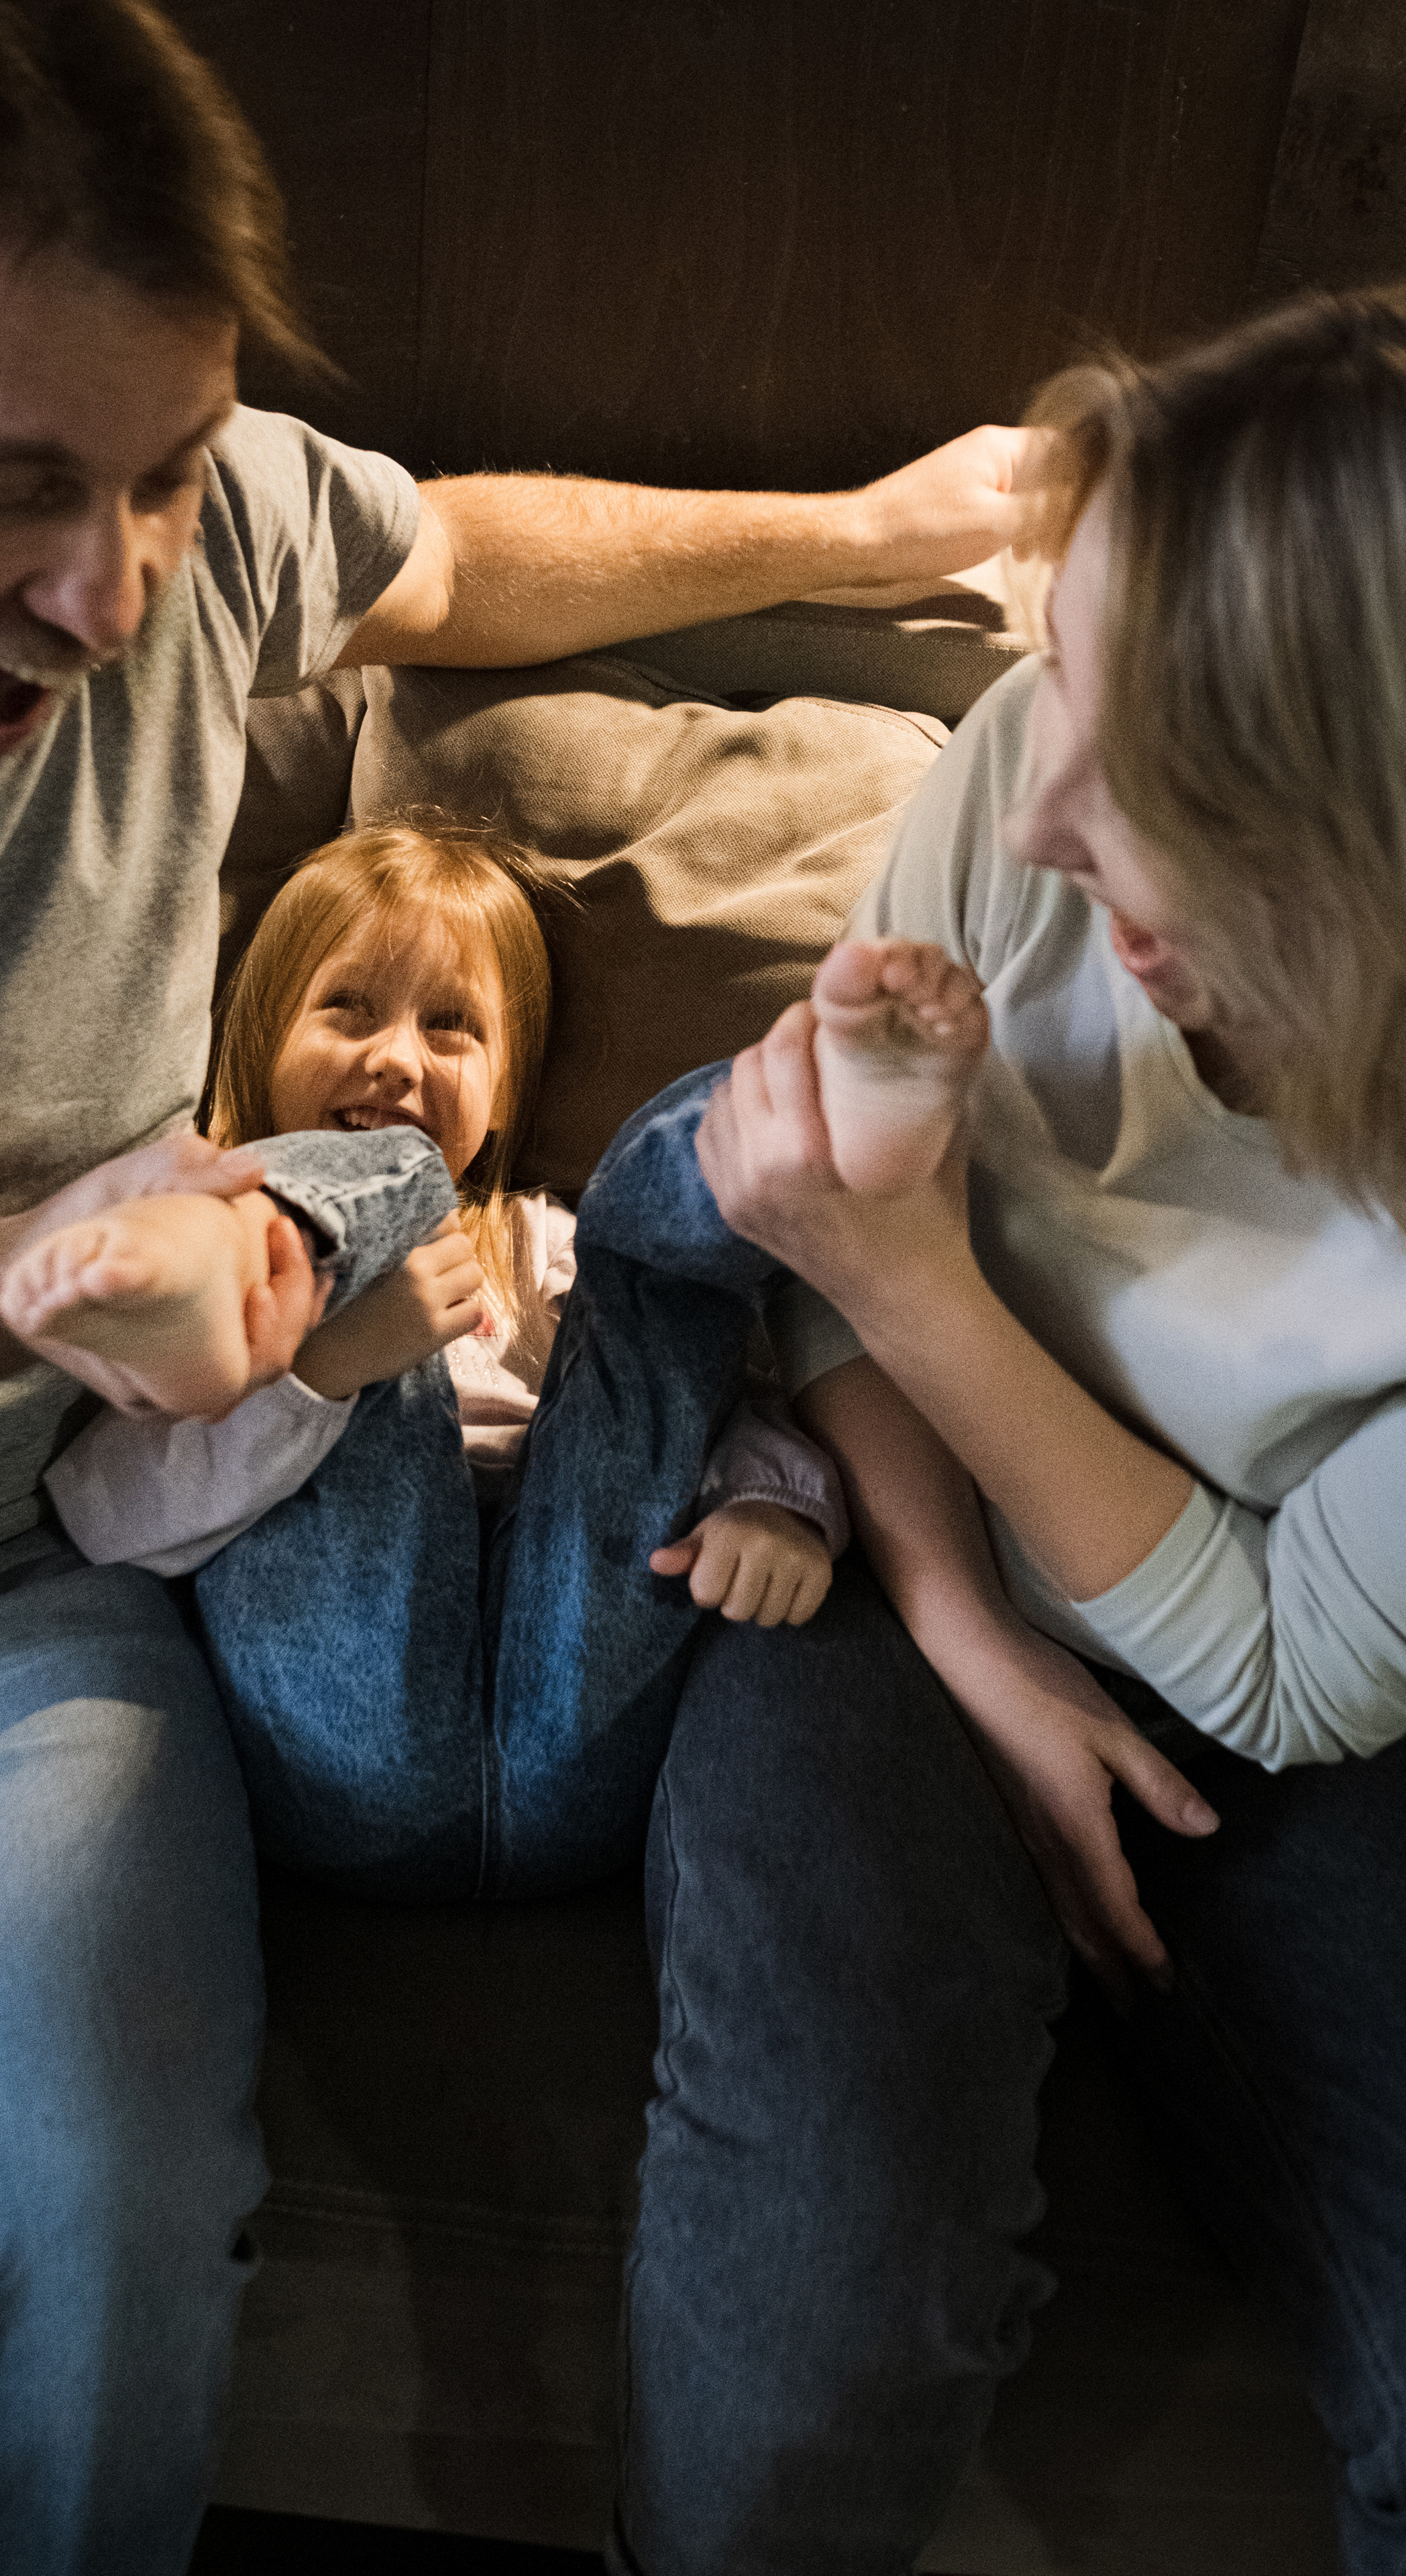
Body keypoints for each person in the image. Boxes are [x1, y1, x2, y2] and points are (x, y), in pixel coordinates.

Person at [0, 3, 1049, 2567]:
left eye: (172, 486)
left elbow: (447, 549)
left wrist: (866, 537)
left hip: (11, 1603)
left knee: (86, 2232)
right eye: (10, 496)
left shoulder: (197, 558)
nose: (111, 597)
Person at [682, 286, 1406, 2576]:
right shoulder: (1017, 768)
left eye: (1153, 764)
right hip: (894, 1554)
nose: (1043, 792)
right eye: (1060, 682)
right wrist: (979, 1659)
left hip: (1286, 1717)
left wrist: (909, 1268)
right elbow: (815, 1270)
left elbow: (1295, 1677)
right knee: (816, 2308)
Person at [4, 823, 843, 1896]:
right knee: (361, 1239)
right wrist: (326, 1370)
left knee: (646, 1278)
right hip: (345, 1756)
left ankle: (797, 1112)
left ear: (502, 1095)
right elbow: (102, 1519)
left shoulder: (544, 1245)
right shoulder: (200, 1277)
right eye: (348, 1008)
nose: (397, 1057)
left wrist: (773, 1504)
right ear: (260, 1038)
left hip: (590, 1725)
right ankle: (337, 1239)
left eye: (452, 1029)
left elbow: (708, 1409)